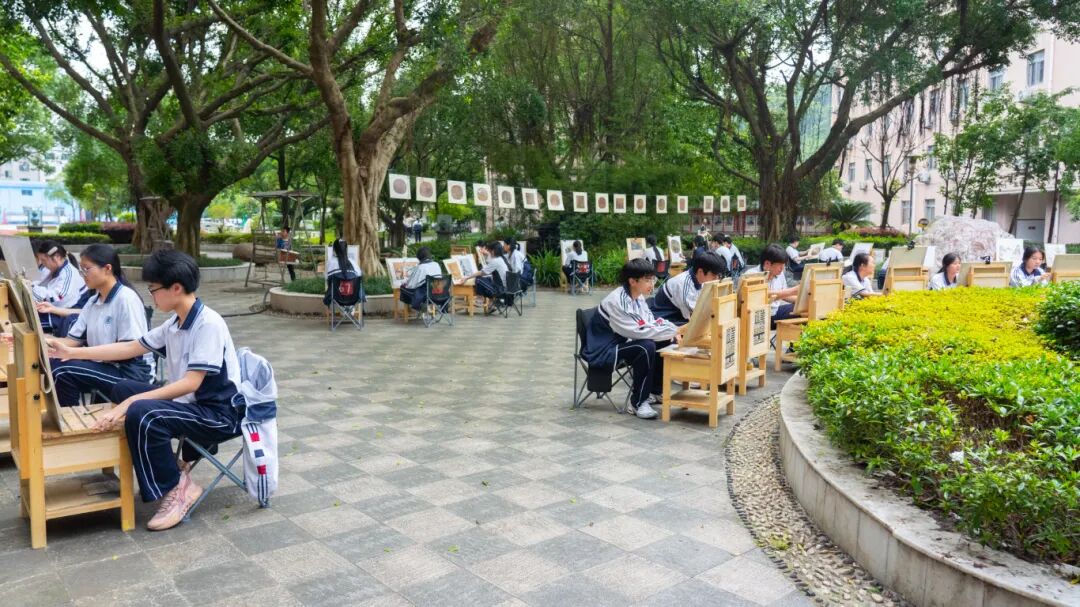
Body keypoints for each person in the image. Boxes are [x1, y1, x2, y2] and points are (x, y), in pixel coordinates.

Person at [47, 250, 244, 531]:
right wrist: (71, 352)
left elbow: (191, 383)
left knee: (141, 410)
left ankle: (176, 488)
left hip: (219, 414)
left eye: (153, 289)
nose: (151, 296)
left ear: (176, 288)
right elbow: (131, 347)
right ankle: (173, 468)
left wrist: (130, 403)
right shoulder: (175, 322)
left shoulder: (208, 324)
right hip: (190, 404)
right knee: (123, 389)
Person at [46, 244, 154, 406]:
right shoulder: (93, 301)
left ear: (107, 268)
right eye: (81, 270)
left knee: (63, 370)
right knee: (52, 363)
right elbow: (72, 340)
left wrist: (74, 353)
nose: (83, 275)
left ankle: (69, 418)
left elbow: (128, 349)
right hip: (106, 366)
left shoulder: (126, 299)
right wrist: (43, 341)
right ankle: (68, 415)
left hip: (131, 374)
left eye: (87, 269)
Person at [582, 258, 679, 420]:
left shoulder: (638, 297)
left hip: (622, 341)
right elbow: (640, 331)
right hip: (604, 350)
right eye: (647, 280)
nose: (652, 284)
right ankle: (638, 403)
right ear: (632, 281)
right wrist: (675, 330)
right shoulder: (618, 301)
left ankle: (654, 391)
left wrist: (672, 330)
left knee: (663, 340)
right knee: (645, 346)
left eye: (653, 279)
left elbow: (649, 321)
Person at [649, 251, 728, 325]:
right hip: (664, 319)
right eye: (714, 275)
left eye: (719, 275)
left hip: (679, 315)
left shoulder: (701, 280)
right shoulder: (683, 284)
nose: (717, 278)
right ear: (700, 272)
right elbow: (696, 315)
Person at [32, 240, 86, 332]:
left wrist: (33, 289)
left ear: (57, 257)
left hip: (70, 311)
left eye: (44, 260)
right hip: (59, 308)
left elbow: (58, 297)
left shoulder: (68, 273)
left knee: (33, 321)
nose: (42, 263)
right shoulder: (55, 269)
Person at [760, 245, 799, 326]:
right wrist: (793, 290)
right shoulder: (752, 275)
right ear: (767, 263)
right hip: (760, 317)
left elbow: (784, 295)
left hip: (775, 311)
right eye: (780, 265)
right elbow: (763, 295)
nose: (782, 268)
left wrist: (802, 300)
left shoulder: (779, 274)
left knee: (805, 308)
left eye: (784, 265)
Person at [398, 247, 443, 313]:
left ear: (419, 257)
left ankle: (418, 307)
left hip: (425, 296)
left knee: (403, 288)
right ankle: (424, 308)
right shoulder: (436, 264)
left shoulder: (421, 267)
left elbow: (411, 285)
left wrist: (404, 282)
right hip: (439, 294)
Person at [323, 238, 361, 307]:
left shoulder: (330, 263)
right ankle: (350, 311)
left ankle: (344, 311)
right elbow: (359, 276)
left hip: (336, 298)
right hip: (354, 298)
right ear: (346, 249)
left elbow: (326, 278)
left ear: (334, 250)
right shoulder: (353, 262)